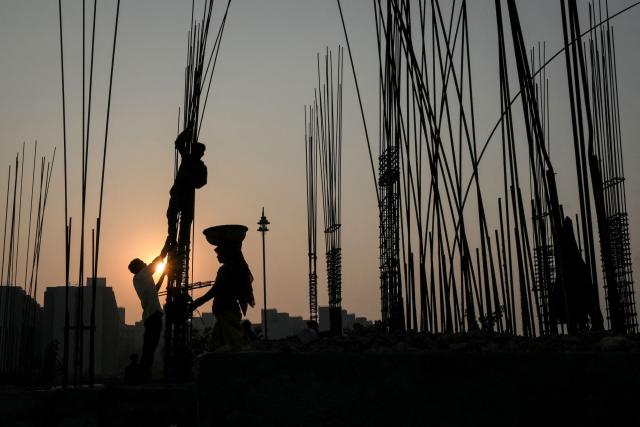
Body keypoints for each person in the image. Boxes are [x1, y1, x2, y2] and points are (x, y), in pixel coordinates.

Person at [191, 225, 255, 350]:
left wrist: (196, 303)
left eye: (219, 252)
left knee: (231, 348)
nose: (217, 256)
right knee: (218, 348)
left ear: (227, 252)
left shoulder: (226, 270)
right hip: (226, 313)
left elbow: (215, 290)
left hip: (227, 313)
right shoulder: (234, 268)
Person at [164, 125, 208, 252]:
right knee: (171, 215)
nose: (200, 154)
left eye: (201, 152)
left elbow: (202, 183)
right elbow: (178, 143)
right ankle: (172, 238)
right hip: (177, 193)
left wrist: (190, 178)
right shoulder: (187, 158)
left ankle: (183, 244)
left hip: (188, 197)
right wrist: (187, 131)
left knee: (186, 221)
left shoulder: (201, 167)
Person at [128, 253, 166, 381]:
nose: (145, 263)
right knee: (150, 347)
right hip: (152, 316)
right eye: (142, 262)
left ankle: (144, 373)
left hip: (151, 316)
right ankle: (143, 374)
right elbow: (155, 263)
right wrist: (166, 248)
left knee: (150, 347)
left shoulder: (141, 278)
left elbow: (155, 289)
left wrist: (163, 275)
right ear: (139, 267)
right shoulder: (142, 275)